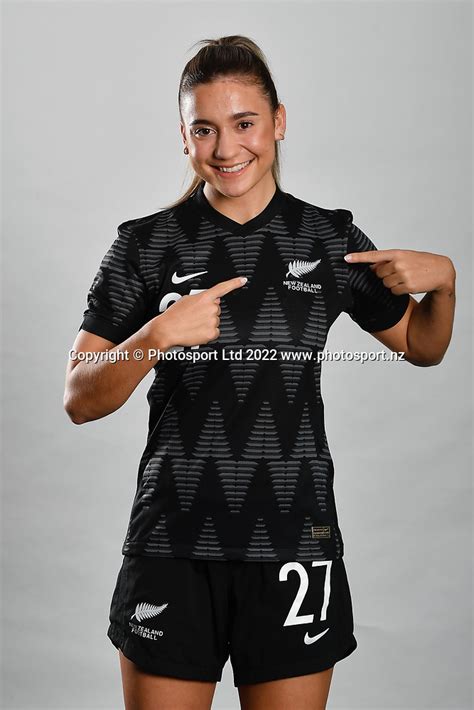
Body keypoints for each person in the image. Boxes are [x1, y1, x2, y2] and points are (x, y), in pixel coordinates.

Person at [64, 34, 456, 710]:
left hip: (294, 544)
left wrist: (446, 284)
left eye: (244, 124)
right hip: (173, 546)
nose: (225, 148)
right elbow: (78, 396)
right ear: (183, 138)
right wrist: (156, 334)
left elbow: (422, 345)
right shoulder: (146, 243)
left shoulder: (328, 240)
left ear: (278, 121)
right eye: (204, 129)